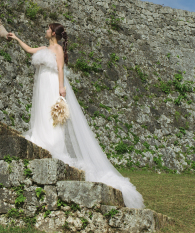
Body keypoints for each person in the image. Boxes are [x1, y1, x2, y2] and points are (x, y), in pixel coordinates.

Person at [10, 23, 144, 208]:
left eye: (48, 28)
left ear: (53, 33)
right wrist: (16, 38)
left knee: (54, 117)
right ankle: (41, 139)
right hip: (42, 85)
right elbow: (30, 49)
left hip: (51, 84)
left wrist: (61, 88)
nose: (45, 30)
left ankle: (54, 145)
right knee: (42, 115)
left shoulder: (57, 49)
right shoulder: (45, 48)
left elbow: (60, 69)